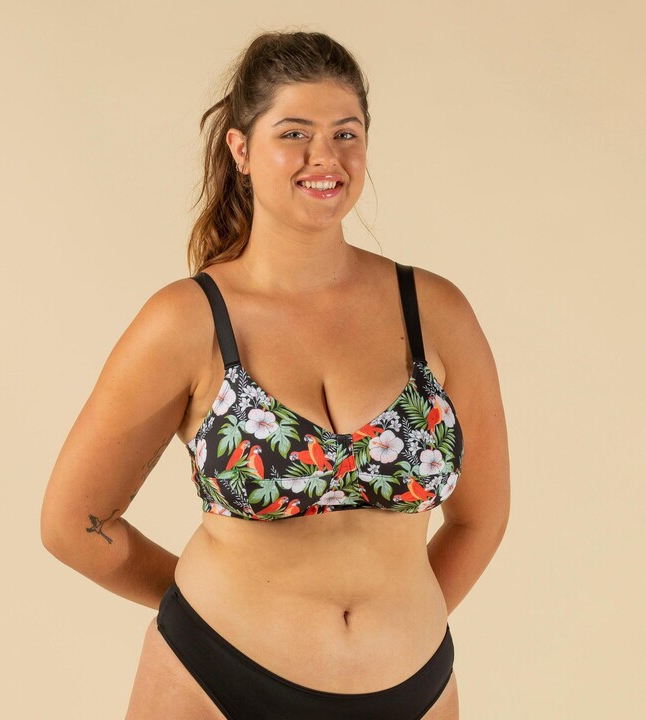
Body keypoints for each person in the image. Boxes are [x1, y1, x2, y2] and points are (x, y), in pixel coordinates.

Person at [41, 29, 510, 720]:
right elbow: (72, 525)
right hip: (213, 682)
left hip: (414, 690)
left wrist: (399, 626)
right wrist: (208, 616)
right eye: (295, 133)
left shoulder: (436, 311)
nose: (326, 157)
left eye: (346, 134)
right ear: (241, 150)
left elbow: (481, 517)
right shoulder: (189, 320)